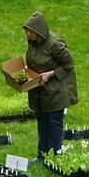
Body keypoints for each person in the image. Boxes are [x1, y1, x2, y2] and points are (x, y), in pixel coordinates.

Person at [22, 12, 78, 158]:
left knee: (53, 122)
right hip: (39, 90)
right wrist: (29, 70)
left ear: (39, 31)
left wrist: (50, 74)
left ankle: (55, 156)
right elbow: (35, 60)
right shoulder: (33, 42)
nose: (27, 33)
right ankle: (42, 155)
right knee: (42, 122)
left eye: (30, 31)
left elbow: (68, 65)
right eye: (26, 30)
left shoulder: (55, 44)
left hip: (56, 91)